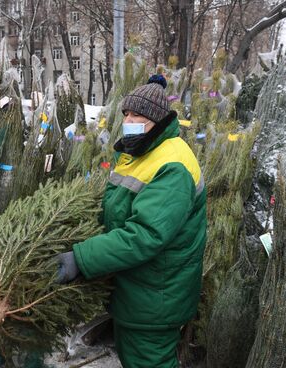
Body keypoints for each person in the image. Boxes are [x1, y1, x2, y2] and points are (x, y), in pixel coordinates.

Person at [56, 75, 207, 368]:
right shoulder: (140, 153)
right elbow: (118, 210)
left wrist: (82, 257)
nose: (129, 120)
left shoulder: (172, 165)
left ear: (156, 119)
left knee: (148, 362)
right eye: (126, 113)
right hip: (138, 292)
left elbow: (144, 234)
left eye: (137, 114)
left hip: (156, 297)